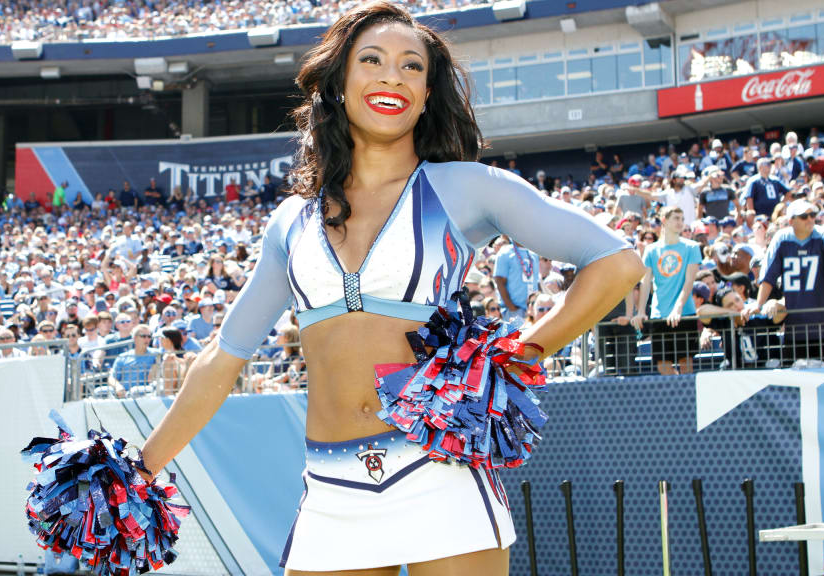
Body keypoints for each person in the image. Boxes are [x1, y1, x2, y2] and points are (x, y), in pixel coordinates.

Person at [140, 4, 643, 574]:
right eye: (372, 60)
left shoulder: (465, 187)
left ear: (427, 93)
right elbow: (221, 356)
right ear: (339, 82)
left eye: (411, 67)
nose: (391, 77)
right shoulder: (291, 222)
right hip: (330, 487)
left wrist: (513, 359)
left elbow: (616, 263)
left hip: (441, 473)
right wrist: (140, 468)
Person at [746, 199, 824, 365]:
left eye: (812, 215)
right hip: (796, 326)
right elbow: (768, 276)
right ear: (791, 221)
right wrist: (759, 304)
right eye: (804, 216)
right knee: (799, 379)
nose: (810, 219)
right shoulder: (782, 239)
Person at [632, 206, 702, 375]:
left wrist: (678, 309)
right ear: (664, 220)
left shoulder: (691, 247)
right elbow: (646, 281)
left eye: (682, 218)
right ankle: (678, 394)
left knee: (686, 362)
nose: (680, 222)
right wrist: (641, 311)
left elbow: (689, 282)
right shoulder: (651, 250)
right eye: (676, 218)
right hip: (659, 313)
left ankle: (687, 397)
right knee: (662, 363)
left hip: (685, 313)